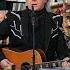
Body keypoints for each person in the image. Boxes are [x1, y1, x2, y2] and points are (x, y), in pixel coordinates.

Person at [0, 0, 70, 69]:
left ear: (45, 0)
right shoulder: (13, 17)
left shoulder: (55, 20)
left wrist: (66, 60)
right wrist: (1, 59)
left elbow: (62, 51)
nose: (33, 0)